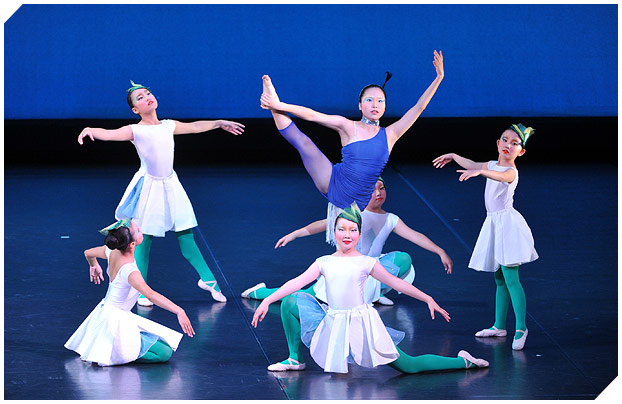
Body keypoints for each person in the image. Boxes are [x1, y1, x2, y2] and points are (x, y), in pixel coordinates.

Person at [251, 204, 488, 373]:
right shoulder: (324, 261)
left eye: (353, 230)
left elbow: (397, 283)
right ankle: (295, 359)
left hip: (362, 324)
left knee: (409, 366)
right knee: (292, 301)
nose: (347, 235)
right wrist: (267, 301)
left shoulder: (367, 262)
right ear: (333, 233)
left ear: (359, 233)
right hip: (333, 321)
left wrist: (428, 298)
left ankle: (462, 362)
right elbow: (296, 283)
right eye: (342, 229)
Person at [77, 81, 245, 304]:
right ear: (135, 110)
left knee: (186, 234)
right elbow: (109, 133)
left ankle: (209, 280)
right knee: (142, 240)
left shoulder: (168, 125)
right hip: (148, 189)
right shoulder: (135, 130)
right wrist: (91, 130)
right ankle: (141, 290)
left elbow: (195, 127)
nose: (146, 97)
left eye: (147, 93)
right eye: (139, 98)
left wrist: (218, 123)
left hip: (171, 186)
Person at [260, 51, 444, 244]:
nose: (375, 104)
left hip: (357, 202)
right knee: (304, 143)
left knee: (350, 251)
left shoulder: (390, 134)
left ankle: (274, 104)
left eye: (380, 101)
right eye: (369, 100)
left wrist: (439, 77)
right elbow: (312, 115)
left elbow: (419, 107)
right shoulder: (348, 126)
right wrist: (281, 105)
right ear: (360, 106)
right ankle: (273, 103)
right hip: (334, 181)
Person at [242, 177, 452, 306]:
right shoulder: (353, 213)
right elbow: (323, 224)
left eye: (382, 188)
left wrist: (440, 251)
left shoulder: (391, 219)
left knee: (404, 259)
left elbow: (416, 236)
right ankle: (259, 292)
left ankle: (373, 294)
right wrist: (295, 234)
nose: (378, 193)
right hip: (345, 269)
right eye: (372, 189)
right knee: (302, 295)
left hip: (368, 267)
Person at [432, 124, 538, 351]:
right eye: (505, 140)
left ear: (521, 152)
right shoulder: (491, 164)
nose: (509, 145)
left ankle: (521, 326)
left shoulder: (511, 172)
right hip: (493, 224)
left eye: (515, 143)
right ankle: (499, 325)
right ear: (498, 144)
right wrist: (453, 155)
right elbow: (472, 164)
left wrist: (481, 172)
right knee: (499, 278)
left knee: (511, 277)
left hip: (508, 226)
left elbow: (499, 175)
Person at [65, 219, 195, 366]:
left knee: (161, 341)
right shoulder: (130, 271)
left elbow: (88, 253)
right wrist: (179, 311)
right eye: (138, 230)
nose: (140, 229)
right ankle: (112, 353)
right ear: (132, 244)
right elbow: (150, 294)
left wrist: (94, 265)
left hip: (107, 313)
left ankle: (107, 348)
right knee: (164, 353)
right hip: (114, 321)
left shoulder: (112, 251)